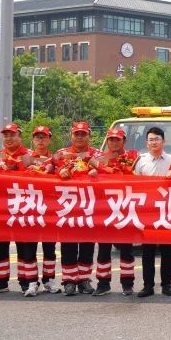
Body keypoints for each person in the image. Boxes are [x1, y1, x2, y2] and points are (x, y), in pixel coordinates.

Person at [52, 121, 100, 295]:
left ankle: (84, 280)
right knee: (68, 244)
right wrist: (59, 172)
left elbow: (110, 171)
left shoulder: (97, 154)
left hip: (89, 206)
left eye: (83, 134)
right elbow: (46, 171)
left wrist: (98, 172)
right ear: (71, 136)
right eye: (76, 134)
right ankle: (69, 280)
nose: (80, 137)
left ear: (89, 136)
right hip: (67, 206)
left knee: (87, 244)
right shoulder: (60, 154)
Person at [90, 127, 138, 296]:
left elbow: (126, 173)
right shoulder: (98, 158)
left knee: (126, 248)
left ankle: (127, 283)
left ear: (124, 141)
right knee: (104, 248)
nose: (114, 142)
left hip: (125, 207)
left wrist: (101, 168)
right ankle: (103, 283)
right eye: (111, 139)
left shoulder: (133, 156)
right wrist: (93, 171)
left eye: (118, 139)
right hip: (104, 208)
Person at [0, 123, 29, 295]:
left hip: (22, 207)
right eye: (5, 135)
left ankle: (25, 281)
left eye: (12, 135)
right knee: (0, 246)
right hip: (0, 209)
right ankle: (1, 281)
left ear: (20, 136)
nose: (8, 138)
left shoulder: (29, 156)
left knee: (23, 246)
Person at [134, 127, 171, 298]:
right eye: (151, 139)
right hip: (148, 211)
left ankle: (167, 284)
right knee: (148, 250)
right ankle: (148, 285)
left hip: (168, 210)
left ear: (163, 141)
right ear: (146, 142)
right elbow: (133, 184)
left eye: (157, 139)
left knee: (167, 250)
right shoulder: (140, 160)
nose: (154, 142)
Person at [21, 126, 61, 294]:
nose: (40, 140)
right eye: (37, 137)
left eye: (43, 137)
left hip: (49, 209)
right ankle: (31, 282)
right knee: (29, 246)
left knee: (49, 247)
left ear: (49, 140)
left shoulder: (56, 159)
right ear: (32, 140)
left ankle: (49, 280)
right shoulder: (25, 159)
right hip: (29, 207)